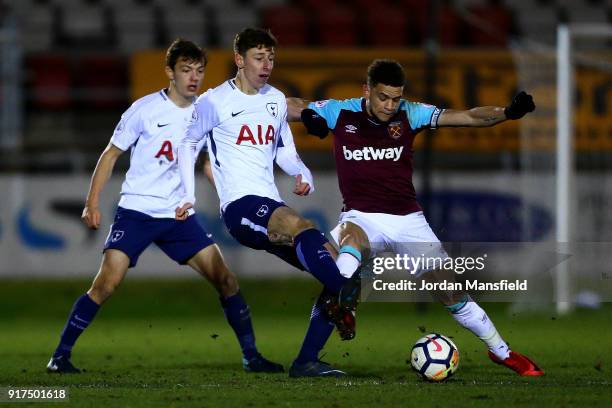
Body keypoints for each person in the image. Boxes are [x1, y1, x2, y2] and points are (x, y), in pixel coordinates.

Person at [288, 59, 544, 377]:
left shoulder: (412, 113)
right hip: (360, 217)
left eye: (396, 98)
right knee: (349, 255)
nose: (390, 105)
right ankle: (330, 325)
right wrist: (310, 114)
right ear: (366, 91)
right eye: (383, 97)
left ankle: (502, 352)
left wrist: (507, 113)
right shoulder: (340, 111)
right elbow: (289, 105)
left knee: (452, 293)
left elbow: (467, 117)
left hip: (408, 219)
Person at [46, 39, 283, 374]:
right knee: (106, 285)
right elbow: (111, 154)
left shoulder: (208, 111)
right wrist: (91, 202)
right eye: (186, 70)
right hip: (138, 212)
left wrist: (232, 197)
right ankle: (60, 356)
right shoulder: (145, 109)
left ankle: (252, 356)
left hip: (178, 215)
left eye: (200, 71)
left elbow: (207, 163)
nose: (194, 77)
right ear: (170, 72)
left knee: (226, 280)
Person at [176, 28, 359, 378]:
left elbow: (284, 149)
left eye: (271, 58)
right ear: (239, 60)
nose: (267, 65)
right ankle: (343, 299)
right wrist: (188, 195)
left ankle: (307, 360)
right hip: (241, 207)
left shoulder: (275, 99)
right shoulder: (215, 101)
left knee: (341, 265)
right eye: (259, 58)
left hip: (269, 201)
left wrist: (301, 170)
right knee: (303, 229)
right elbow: (188, 144)